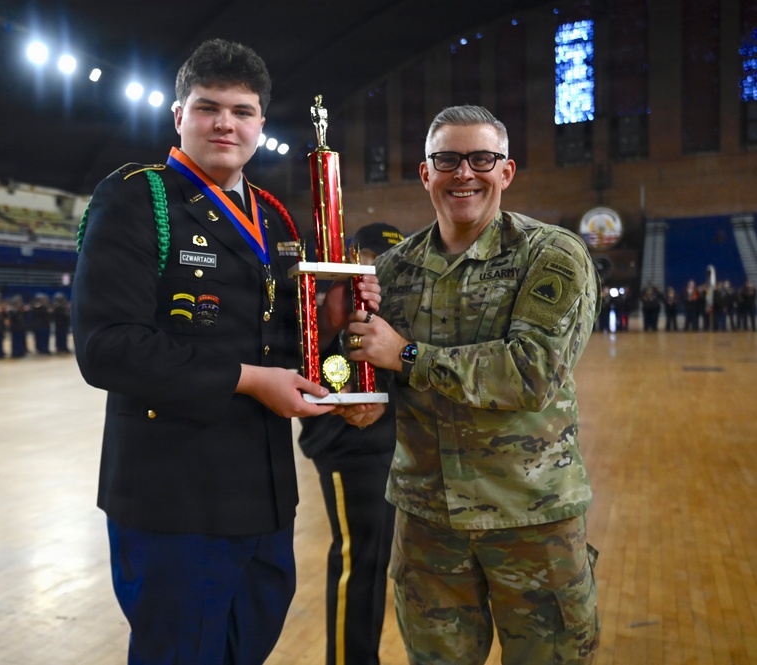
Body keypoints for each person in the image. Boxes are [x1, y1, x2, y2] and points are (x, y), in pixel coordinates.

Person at [71, 38, 358, 664]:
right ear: (179, 116)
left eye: (242, 111)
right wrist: (249, 379)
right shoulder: (138, 198)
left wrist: (332, 323)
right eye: (208, 107)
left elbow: (282, 344)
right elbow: (106, 348)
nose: (225, 123)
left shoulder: (275, 218)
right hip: (174, 499)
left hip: (265, 496)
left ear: (260, 124)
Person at [337, 105, 601, 665]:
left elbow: (532, 372)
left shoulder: (551, 254)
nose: (464, 173)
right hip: (428, 523)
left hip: (531, 520)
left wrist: (407, 355)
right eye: (447, 160)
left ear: (506, 171)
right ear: (425, 173)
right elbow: (380, 370)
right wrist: (366, 396)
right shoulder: (393, 271)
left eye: (481, 159)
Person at [297, 222, 403, 665]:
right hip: (348, 447)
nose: (377, 274)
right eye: (370, 262)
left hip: (388, 446)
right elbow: (318, 368)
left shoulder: (397, 301)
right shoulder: (334, 299)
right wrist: (335, 325)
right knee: (358, 562)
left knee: (374, 563)